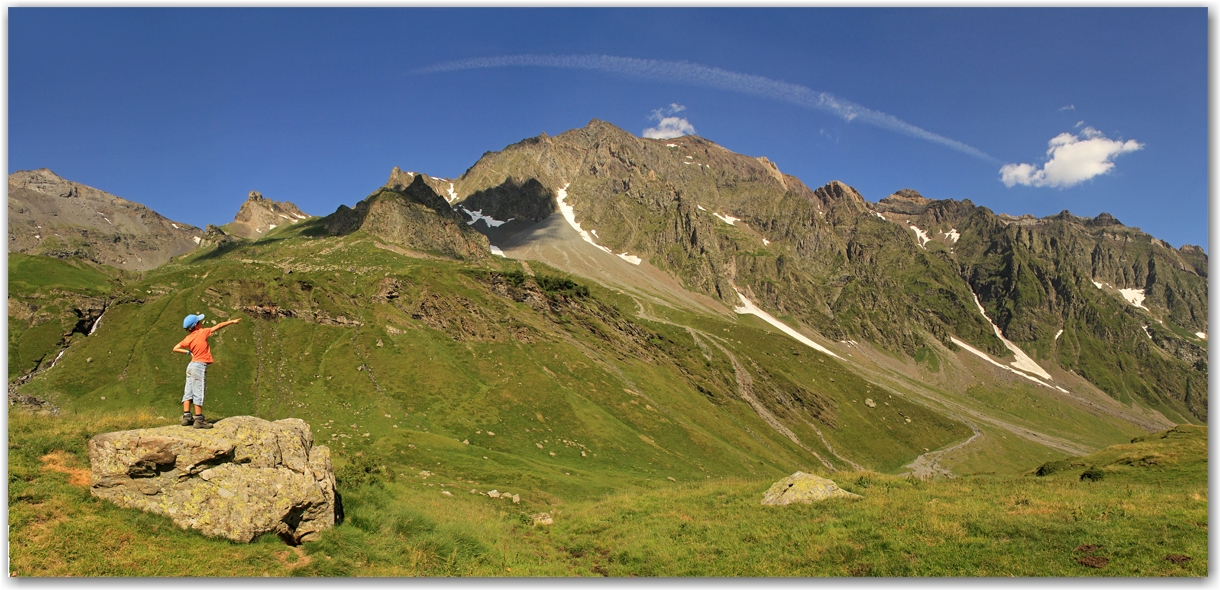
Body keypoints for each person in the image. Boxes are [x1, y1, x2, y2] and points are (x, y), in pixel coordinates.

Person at [173, 313, 241, 429]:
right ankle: (199, 419)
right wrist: (232, 322)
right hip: (199, 366)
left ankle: (187, 416)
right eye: (199, 322)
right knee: (198, 391)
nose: (201, 323)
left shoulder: (188, 338)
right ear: (196, 325)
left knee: (188, 391)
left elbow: (175, 348)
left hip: (191, 366)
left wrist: (189, 352)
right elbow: (218, 326)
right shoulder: (202, 332)